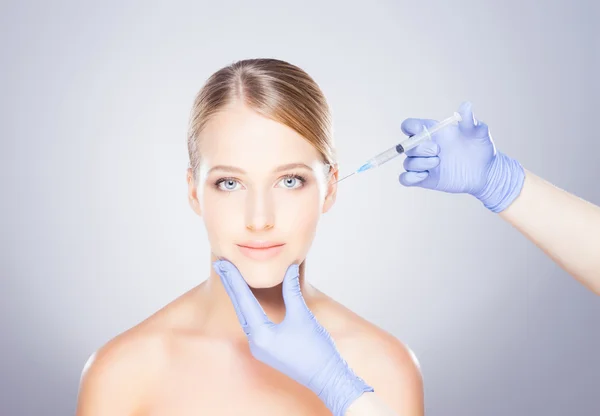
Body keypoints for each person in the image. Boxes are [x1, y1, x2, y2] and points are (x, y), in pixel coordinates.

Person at [75, 58, 423, 416]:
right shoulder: (123, 372)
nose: (259, 219)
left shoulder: (384, 367)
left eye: (290, 181)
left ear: (330, 187)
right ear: (194, 191)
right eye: (230, 183)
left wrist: (342, 389)